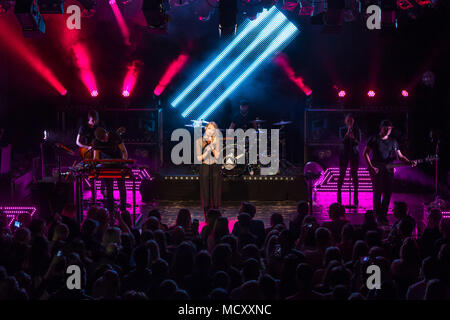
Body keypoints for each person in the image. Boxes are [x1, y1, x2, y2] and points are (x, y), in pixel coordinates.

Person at [363, 120, 417, 224]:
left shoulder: (393, 141)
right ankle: (377, 215)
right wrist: (371, 167)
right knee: (377, 192)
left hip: (388, 170)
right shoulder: (374, 139)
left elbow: (400, 156)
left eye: (390, 128)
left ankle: (383, 215)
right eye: (386, 128)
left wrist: (409, 161)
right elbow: (365, 154)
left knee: (387, 193)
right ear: (381, 128)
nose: (388, 130)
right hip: (376, 169)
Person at [93, 127, 128, 213]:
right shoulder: (96, 142)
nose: (105, 140)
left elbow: (124, 151)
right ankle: (111, 210)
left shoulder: (115, 136)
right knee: (109, 188)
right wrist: (95, 166)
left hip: (118, 163)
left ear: (106, 133)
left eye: (105, 138)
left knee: (121, 187)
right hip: (106, 165)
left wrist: (124, 163)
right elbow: (96, 157)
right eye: (102, 140)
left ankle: (123, 209)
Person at [195, 122, 222, 216]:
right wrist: (207, 151)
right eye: (209, 128)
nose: (211, 131)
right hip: (204, 167)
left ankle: (216, 212)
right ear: (205, 129)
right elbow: (198, 158)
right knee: (205, 191)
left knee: (216, 191)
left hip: (215, 167)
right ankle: (207, 214)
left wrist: (212, 147)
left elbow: (218, 155)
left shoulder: (217, 141)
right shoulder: (199, 141)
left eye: (213, 129)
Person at [337, 114, 361, 205]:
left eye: (351, 121)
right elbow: (341, 141)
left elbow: (359, 142)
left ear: (353, 122)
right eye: (348, 121)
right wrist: (347, 135)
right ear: (345, 121)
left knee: (354, 174)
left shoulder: (357, 130)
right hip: (344, 154)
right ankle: (339, 195)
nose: (350, 122)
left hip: (354, 154)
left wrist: (353, 138)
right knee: (342, 173)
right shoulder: (342, 129)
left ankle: (355, 197)